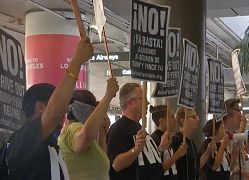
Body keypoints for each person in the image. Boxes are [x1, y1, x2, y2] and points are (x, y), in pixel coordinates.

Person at [4, 37, 93, 179]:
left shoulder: (50, 144)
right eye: (59, 105)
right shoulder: (23, 140)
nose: (64, 111)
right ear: (40, 107)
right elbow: (53, 115)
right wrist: (76, 62)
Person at [58, 79, 118, 180]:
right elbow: (85, 137)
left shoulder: (76, 131)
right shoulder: (73, 128)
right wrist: (108, 96)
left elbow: (101, 158)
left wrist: (102, 130)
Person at [106, 83, 163, 180]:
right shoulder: (118, 128)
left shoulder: (140, 129)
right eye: (143, 99)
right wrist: (135, 150)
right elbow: (116, 164)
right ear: (131, 102)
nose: (148, 103)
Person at [150, 105, 188, 180]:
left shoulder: (170, 138)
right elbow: (156, 169)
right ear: (162, 121)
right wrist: (177, 154)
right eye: (172, 117)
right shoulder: (154, 139)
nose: (175, 120)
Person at [224, 98, 249, 180]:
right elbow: (226, 167)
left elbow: (241, 154)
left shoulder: (236, 134)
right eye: (238, 110)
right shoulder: (223, 137)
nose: (241, 115)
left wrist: (248, 146)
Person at [171, 107, 200, 180]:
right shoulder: (176, 140)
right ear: (183, 120)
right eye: (194, 117)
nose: (198, 119)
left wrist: (208, 152)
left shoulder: (191, 142)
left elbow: (195, 166)